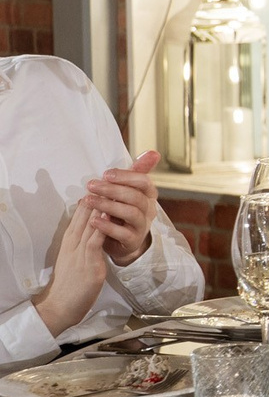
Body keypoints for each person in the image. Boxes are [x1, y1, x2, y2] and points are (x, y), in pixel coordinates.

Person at [0, 56, 205, 372]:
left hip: (131, 379)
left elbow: (186, 302)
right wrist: (51, 313)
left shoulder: (59, 85)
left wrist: (136, 252)